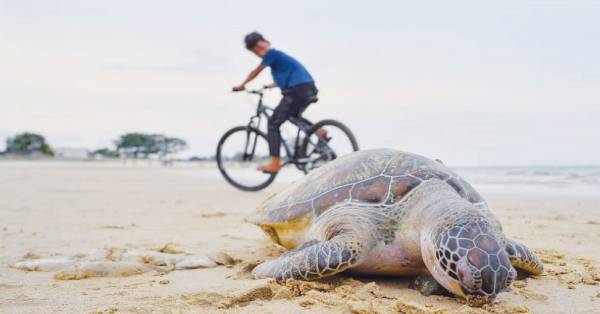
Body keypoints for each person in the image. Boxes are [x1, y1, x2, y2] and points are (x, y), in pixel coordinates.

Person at [232, 32, 319, 173]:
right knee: (292, 116)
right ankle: (320, 131)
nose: (260, 52)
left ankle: (275, 163)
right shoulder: (278, 60)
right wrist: (270, 86)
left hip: (296, 91)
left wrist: (242, 85)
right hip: (307, 88)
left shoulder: (272, 54)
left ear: (266, 42)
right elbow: (288, 75)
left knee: (273, 123)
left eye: (259, 48)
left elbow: (256, 71)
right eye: (256, 52)